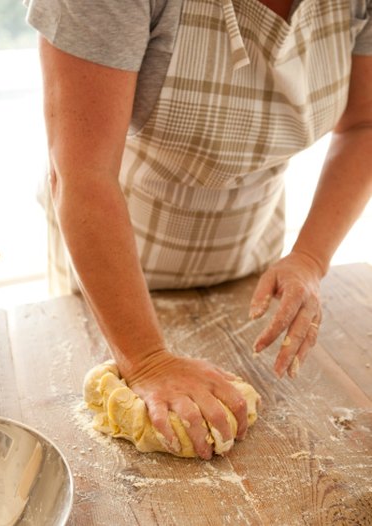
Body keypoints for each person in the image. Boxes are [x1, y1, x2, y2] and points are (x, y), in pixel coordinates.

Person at [25, 0, 372, 459]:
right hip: (109, 271)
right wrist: (147, 359)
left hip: (250, 260)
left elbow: (365, 123)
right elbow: (83, 174)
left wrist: (309, 258)